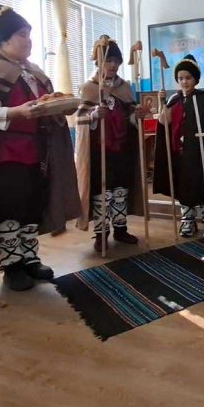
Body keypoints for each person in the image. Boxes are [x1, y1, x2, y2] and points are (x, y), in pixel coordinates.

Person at [0, 4, 80, 291]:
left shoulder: (34, 72)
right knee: (10, 208)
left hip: (38, 153)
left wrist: (59, 108)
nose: (28, 41)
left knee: (31, 206)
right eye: (22, 35)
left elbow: (46, 105)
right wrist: (17, 112)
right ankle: (11, 266)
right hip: (6, 155)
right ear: (4, 39)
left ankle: (30, 259)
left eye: (29, 34)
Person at [74, 37, 146, 252]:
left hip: (122, 149)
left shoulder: (125, 88)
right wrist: (94, 115)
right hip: (99, 151)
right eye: (108, 60)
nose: (113, 65)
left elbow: (129, 117)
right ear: (98, 62)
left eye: (116, 61)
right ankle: (101, 233)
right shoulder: (89, 88)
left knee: (120, 190)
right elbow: (79, 119)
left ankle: (121, 229)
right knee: (102, 193)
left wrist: (135, 116)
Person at [154, 54, 204, 238]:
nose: (184, 82)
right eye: (180, 78)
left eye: (188, 78)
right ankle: (188, 219)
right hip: (181, 153)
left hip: (201, 153)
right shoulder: (173, 99)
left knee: (202, 183)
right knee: (184, 185)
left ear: (196, 79)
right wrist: (162, 103)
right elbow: (164, 122)